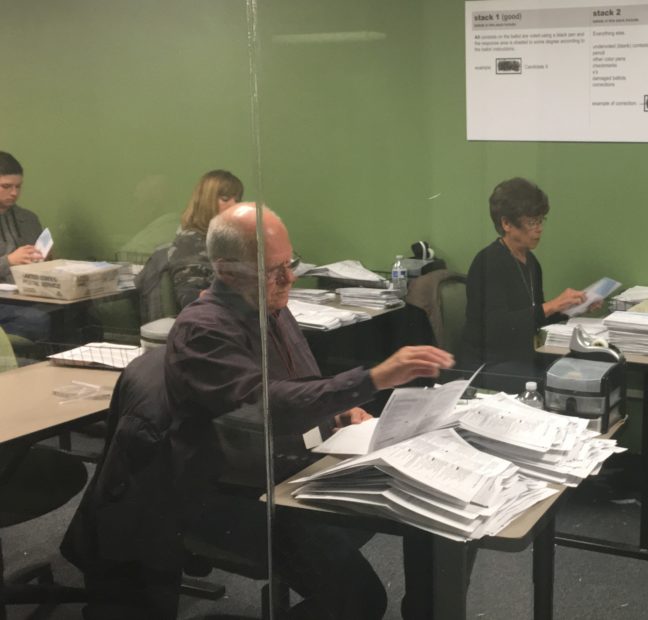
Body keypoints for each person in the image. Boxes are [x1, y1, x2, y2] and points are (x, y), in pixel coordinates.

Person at [165, 204, 454, 619]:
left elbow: (299, 391)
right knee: (361, 600)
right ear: (227, 271)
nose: (289, 278)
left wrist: (338, 413)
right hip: (237, 496)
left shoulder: (273, 308)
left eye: (290, 263)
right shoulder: (204, 331)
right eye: (272, 268)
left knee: (431, 516)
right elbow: (269, 406)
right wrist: (371, 379)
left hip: (296, 469)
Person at [460, 177, 586, 374]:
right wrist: (552, 305)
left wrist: (570, 309)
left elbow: (535, 320)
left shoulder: (531, 262)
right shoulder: (488, 261)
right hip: (489, 365)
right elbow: (497, 328)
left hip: (520, 356)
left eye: (541, 220)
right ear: (507, 223)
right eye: (532, 222)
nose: (539, 228)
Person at [167, 169, 243, 310]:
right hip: (212, 320)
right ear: (206, 202)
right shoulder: (190, 242)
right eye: (225, 199)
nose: (234, 205)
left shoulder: (224, 238)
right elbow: (189, 297)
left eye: (237, 200)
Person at [0, 151, 50, 342]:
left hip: (27, 293)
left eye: (18, 187)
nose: (14, 193)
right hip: (6, 302)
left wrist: (46, 259)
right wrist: (9, 261)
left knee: (76, 313)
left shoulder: (28, 218)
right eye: (6, 186)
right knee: (35, 320)